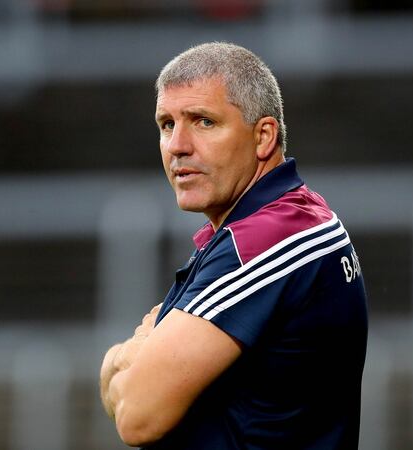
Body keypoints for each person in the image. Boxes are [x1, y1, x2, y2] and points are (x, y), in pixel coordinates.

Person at [99, 42, 368, 449]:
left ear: (263, 137)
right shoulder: (288, 218)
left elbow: (136, 415)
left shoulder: (263, 241)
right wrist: (134, 358)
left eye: (203, 122)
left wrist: (132, 349)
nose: (177, 146)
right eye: (166, 124)